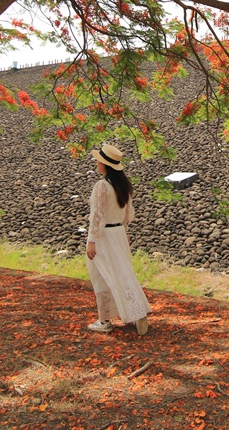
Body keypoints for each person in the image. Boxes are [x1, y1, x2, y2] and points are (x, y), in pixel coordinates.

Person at [85, 143, 151, 335]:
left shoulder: (102, 186)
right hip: (119, 233)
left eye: (99, 160)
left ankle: (104, 320)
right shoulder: (123, 186)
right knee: (123, 273)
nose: (97, 163)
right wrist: (125, 232)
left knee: (102, 276)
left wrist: (91, 240)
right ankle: (136, 309)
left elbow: (97, 216)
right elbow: (127, 215)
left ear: (105, 165)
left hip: (105, 235)